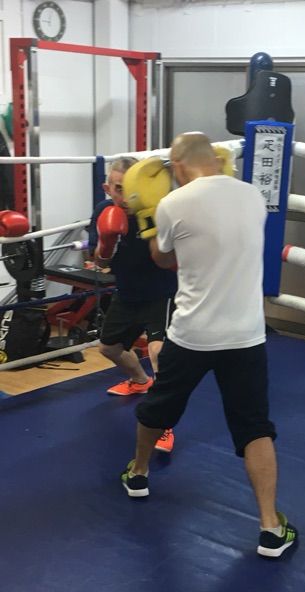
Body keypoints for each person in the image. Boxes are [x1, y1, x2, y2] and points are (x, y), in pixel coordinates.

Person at [120, 132, 298, 558]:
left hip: (193, 333)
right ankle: (270, 528)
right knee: (255, 426)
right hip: (245, 334)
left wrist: (147, 217)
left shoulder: (172, 204)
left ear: (179, 165)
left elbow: (164, 259)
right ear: (214, 159)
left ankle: (139, 473)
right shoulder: (252, 196)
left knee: (159, 407)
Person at [89, 157, 177, 453]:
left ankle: (163, 423)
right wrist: (106, 243)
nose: (124, 196)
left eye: (130, 188)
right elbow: (99, 261)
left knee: (158, 352)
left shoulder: (159, 211)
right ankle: (139, 380)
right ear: (107, 188)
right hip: (127, 293)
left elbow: (176, 258)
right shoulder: (104, 211)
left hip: (162, 293)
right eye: (117, 188)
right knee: (108, 348)